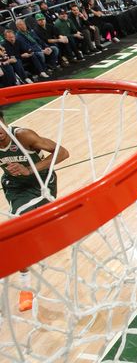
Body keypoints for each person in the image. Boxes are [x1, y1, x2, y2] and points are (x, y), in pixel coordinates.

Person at [0, 110, 70, 311]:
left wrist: (29, 169)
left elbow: (63, 152)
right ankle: (25, 287)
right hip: (15, 187)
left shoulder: (23, 135)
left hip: (41, 182)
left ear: (4, 121)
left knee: (34, 229)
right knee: (19, 232)